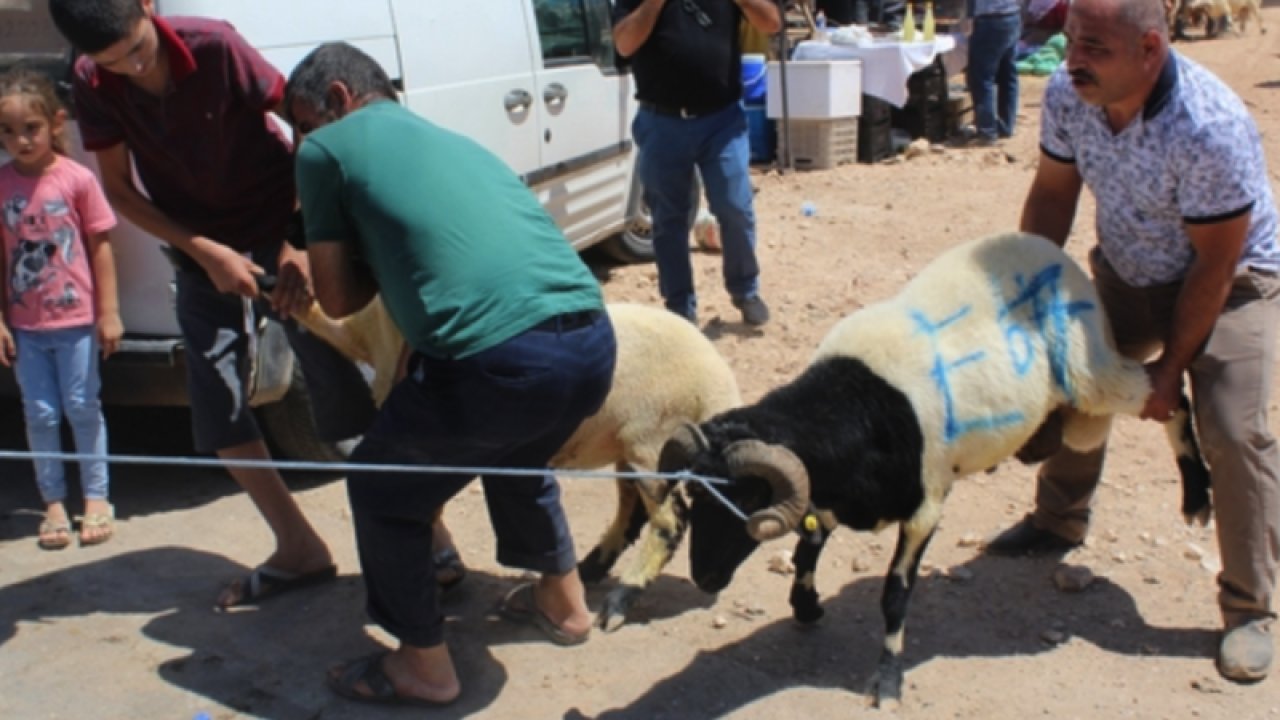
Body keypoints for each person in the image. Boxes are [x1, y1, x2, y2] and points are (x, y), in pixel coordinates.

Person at [284, 42, 617, 707]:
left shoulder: (326, 151)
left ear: (341, 99)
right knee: (516, 455)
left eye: (304, 121)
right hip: (589, 341)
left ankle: (422, 666)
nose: (304, 139)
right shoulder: (455, 143)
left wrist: (305, 261)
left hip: (500, 362)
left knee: (382, 486)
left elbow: (340, 298)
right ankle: (564, 601)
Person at [984, 0, 1280, 683]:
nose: (1072, 59)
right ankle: (1059, 520)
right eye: (1069, 42)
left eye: (1094, 46)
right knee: (1071, 376)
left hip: (1229, 283)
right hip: (1126, 267)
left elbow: (1214, 265)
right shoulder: (1070, 93)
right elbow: (1054, 195)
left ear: (1150, 50)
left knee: (1233, 432)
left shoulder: (1208, 126)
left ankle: (1249, 608)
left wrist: (1171, 370)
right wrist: (1033, 301)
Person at [47, 0, 376, 606]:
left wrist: (298, 242)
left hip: (281, 228)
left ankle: (429, 542)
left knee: (347, 382)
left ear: (147, 6)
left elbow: (306, 131)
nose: (133, 69)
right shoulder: (96, 83)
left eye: (137, 48)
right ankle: (298, 546)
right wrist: (206, 253)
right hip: (200, 253)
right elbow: (119, 189)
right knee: (218, 409)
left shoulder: (217, 46)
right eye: (112, 62)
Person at [0, 67, 120, 550]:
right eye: (7, 131)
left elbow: (102, 246)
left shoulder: (77, 180)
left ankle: (96, 498)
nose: (20, 140)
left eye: (30, 128)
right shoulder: (2, 185)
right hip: (27, 328)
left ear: (55, 123)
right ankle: (52, 501)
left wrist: (109, 312)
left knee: (82, 407)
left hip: (76, 323)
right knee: (41, 413)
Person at [613, 0, 781, 327]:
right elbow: (624, 42)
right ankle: (680, 309)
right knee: (669, 219)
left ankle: (745, 290)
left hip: (722, 120)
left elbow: (771, 23)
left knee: (735, 208)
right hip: (661, 120)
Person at [965, 0, 1023, 145]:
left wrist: (968, 17)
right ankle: (1006, 127)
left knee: (982, 78)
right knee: (1008, 75)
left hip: (990, 20)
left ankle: (987, 131)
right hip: (1012, 15)